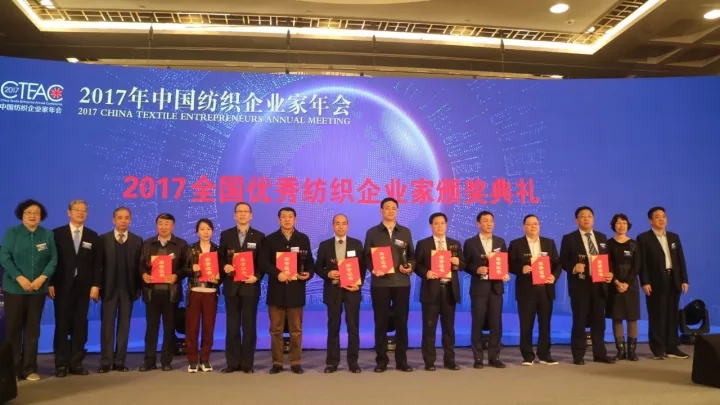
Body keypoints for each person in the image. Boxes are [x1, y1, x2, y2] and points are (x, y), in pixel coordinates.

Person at [0, 199, 57, 381]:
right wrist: (19, 277)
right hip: (14, 289)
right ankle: (13, 370)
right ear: (22, 215)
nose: (32, 216)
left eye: (36, 213)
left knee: (33, 330)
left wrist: (42, 278)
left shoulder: (47, 234)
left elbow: (53, 259)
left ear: (41, 216)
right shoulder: (12, 232)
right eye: (28, 213)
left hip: (38, 290)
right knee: (13, 330)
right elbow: (4, 257)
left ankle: (29, 369)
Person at [49, 200, 102, 377]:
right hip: (62, 286)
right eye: (77, 210)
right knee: (62, 325)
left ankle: (76, 363)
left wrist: (95, 285)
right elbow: (51, 260)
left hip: (84, 288)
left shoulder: (93, 236)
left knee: (80, 325)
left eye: (84, 210)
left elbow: (97, 264)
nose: (81, 213)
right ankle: (61, 364)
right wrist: (50, 283)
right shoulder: (57, 234)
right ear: (69, 212)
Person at [364, 197, 415, 373]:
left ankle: (402, 361)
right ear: (381, 211)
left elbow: (411, 256)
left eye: (394, 208)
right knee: (381, 322)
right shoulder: (372, 232)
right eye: (387, 208)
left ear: (397, 211)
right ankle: (381, 361)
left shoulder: (405, 232)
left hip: (401, 283)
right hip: (380, 284)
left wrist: (409, 267)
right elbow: (367, 256)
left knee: (402, 322)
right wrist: (373, 269)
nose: (390, 211)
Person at [559, 206, 615, 365]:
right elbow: (562, 260)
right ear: (576, 220)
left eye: (589, 216)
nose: (586, 219)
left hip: (599, 284)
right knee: (580, 320)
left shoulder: (602, 237)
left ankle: (600, 354)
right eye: (583, 216)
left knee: (599, 322)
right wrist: (573, 267)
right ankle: (578, 355)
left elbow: (608, 260)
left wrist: (610, 273)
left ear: (593, 219)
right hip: (580, 285)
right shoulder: (569, 238)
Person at [262, 207, 314, 374]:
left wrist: (308, 273)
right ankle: (277, 362)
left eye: (290, 216)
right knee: (275, 330)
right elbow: (264, 262)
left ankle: (295, 362)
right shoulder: (270, 239)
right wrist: (278, 273)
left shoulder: (303, 238)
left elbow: (310, 263)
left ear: (295, 219)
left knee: (296, 330)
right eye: (283, 217)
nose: (287, 219)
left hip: (296, 290)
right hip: (276, 290)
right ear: (279, 220)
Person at [218, 202, 265, 374]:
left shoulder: (259, 236)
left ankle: (247, 364)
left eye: (246, 211)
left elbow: (263, 262)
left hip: (250, 287)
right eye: (239, 211)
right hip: (231, 287)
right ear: (234, 215)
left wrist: (257, 276)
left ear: (251, 215)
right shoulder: (226, 235)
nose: (242, 214)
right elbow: (220, 257)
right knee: (232, 327)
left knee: (249, 327)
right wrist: (225, 266)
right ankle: (232, 363)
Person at [508, 214, 561, 366]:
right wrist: (521, 268)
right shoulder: (516, 244)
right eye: (529, 224)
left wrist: (553, 276)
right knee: (526, 324)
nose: (533, 226)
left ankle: (544, 355)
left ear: (539, 226)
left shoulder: (549, 243)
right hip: (526, 290)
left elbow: (557, 264)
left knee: (545, 324)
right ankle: (527, 356)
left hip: (545, 289)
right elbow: (509, 264)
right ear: (524, 227)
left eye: (535, 224)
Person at [637, 207, 690, 360]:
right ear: (650, 220)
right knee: (657, 315)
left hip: (673, 280)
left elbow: (680, 260)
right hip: (655, 282)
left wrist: (684, 279)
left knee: (672, 315)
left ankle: (672, 347)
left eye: (664, 216)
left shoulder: (673, 237)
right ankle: (658, 349)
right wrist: (645, 282)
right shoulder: (644, 238)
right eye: (657, 217)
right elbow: (642, 263)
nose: (661, 219)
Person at [315, 214, 365, 373]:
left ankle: (353, 362)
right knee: (333, 327)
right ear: (333, 226)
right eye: (337, 223)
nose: (341, 226)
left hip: (352, 291)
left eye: (344, 224)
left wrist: (359, 284)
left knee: (353, 328)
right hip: (333, 291)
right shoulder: (325, 245)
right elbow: (318, 267)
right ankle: (332, 362)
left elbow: (362, 267)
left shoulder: (357, 244)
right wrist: (328, 274)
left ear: (348, 226)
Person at [139, 213, 189, 371]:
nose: (163, 227)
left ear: (173, 226)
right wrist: (143, 274)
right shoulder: (148, 243)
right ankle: (149, 361)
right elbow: (140, 264)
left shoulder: (180, 244)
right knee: (151, 329)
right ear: (156, 225)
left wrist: (177, 276)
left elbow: (187, 267)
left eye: (167, 224)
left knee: (169, 329)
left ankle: (166, 361)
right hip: (152, 293)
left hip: (171, 293)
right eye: (160, 223)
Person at [414, 212, 464, 371]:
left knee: (449, 328)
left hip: (449, 290)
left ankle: (450, 360)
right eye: (436, 223)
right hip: (431, 291)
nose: (440, 226)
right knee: (429, 328)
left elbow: (463, 264)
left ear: (446, 225)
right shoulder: (423, 244)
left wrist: (458, 262)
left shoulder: (454, 244)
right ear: (431, 226)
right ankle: (429, 361)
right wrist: (426, 273)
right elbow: (416, 265)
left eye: (442, 223)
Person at [98, 206, 143, 373]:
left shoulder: (137, 240)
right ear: (114, 220)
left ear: (130, 220)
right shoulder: (103, 239)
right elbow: (98, 266)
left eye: (126, 218)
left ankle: (119, 361)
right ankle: (106, 361)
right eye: (120, 217)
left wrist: (139, 287)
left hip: (128, 290)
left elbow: (139, 267)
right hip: (108, 290)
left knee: (124, 326)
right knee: (107, 326)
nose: (123, 221)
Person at [463, 210, 509, 369]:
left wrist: (505, 273)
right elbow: (465, 264)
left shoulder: (500, 242)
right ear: (478, 224)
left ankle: (494, 357)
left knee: (496, 323)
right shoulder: (470, 243)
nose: (489, 224)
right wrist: (476, 269)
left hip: (496, 288)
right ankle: (478, 358)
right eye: (485, 221)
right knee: (478, 322)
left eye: (491, 221)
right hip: (479, 289)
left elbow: (504, 263)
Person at [185, 218, 220, 373]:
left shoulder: (218, 249)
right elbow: (182, 269)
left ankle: (205, 359)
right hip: (195, 291)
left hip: (211, 293)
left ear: (212, 231)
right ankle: (192, 360)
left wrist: (218, 277)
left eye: (208, 229)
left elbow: (223, 272)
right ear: (197, 232)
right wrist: (191, 269)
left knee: (208, 327)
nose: (206, 232)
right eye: (202, 229)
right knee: (192, 327)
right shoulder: (191, 249)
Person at [606, 213, 641, 361]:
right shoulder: (608, 244)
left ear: (628, 225)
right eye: (618, 223)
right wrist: (616, 282)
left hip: (631, 285)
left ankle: (632, 351)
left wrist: (626, 282)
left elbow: (637, 266)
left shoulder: (634, 244)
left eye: (624, 223)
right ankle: (620, 351)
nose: (621, 226)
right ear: (614, 225)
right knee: (617, 317)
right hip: (614, 284)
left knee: (632, 317)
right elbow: (608, 265)